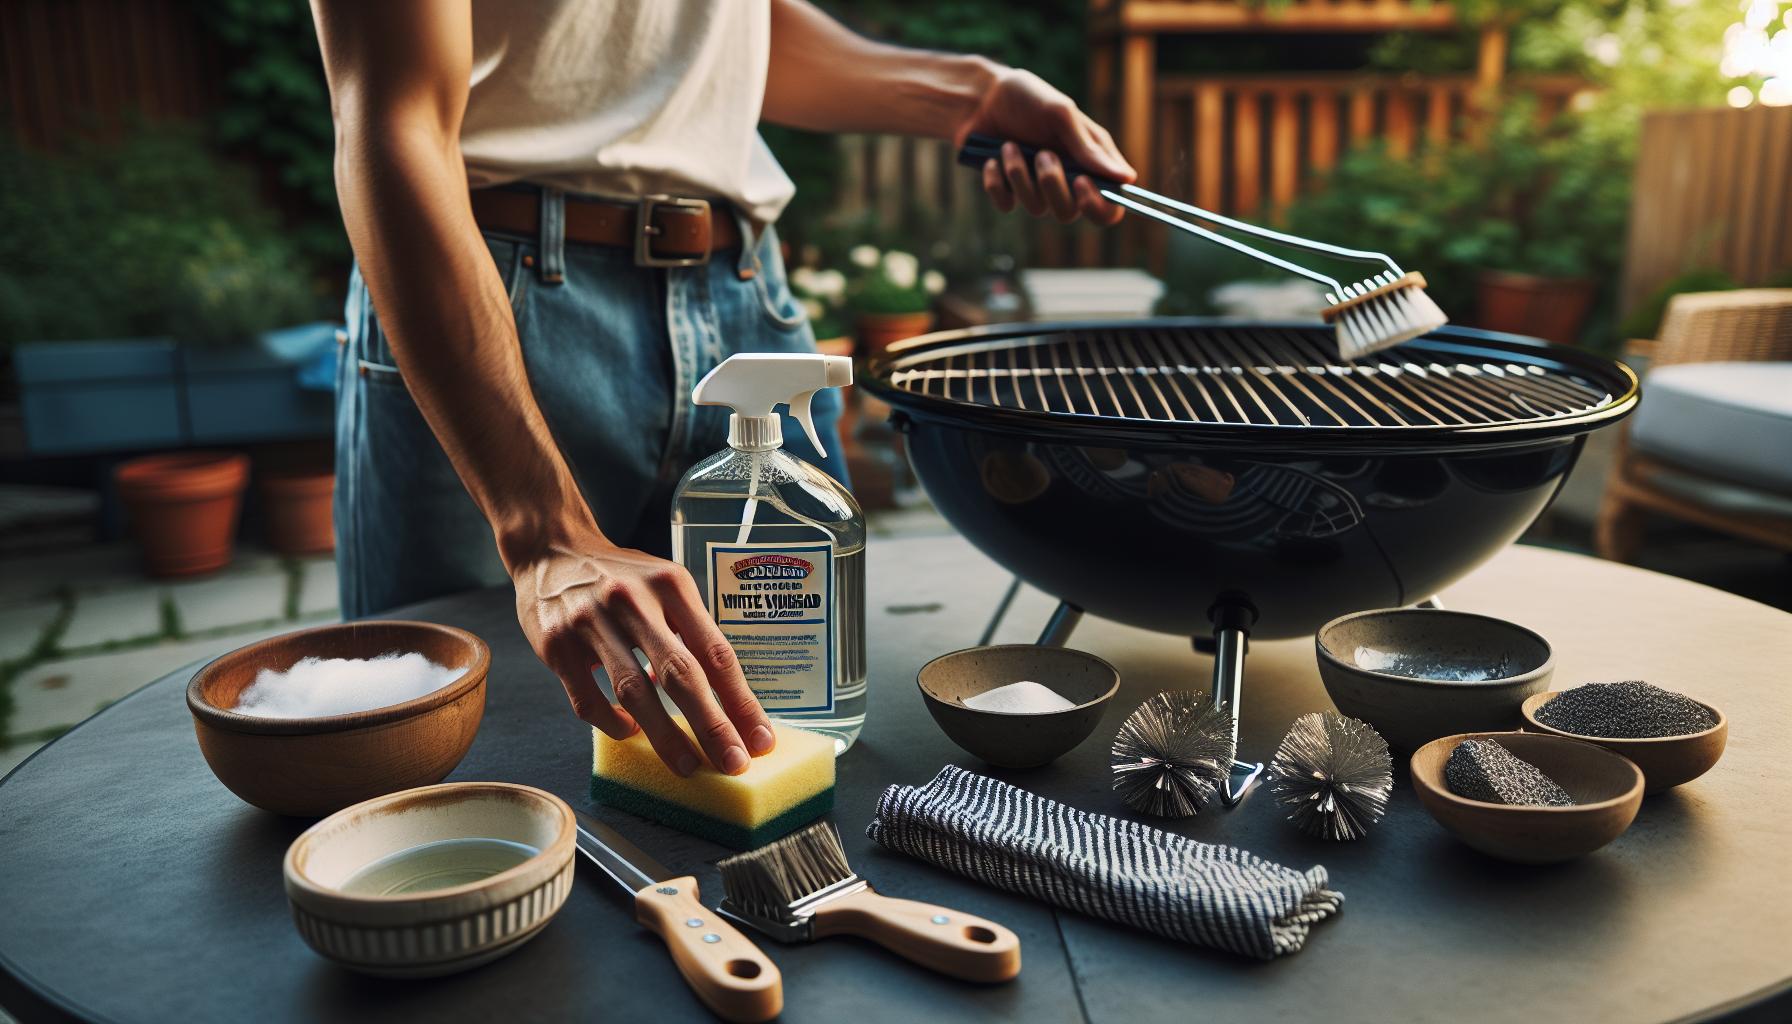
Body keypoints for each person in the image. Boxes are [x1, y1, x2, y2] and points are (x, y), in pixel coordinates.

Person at [309, 0, 1133, 779]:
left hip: (743, 300)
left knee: (791, 746)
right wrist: (542, 530)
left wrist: (970, 94)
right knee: (458, 768)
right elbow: (394, 122)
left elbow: (719, 31)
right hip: (493, 309)